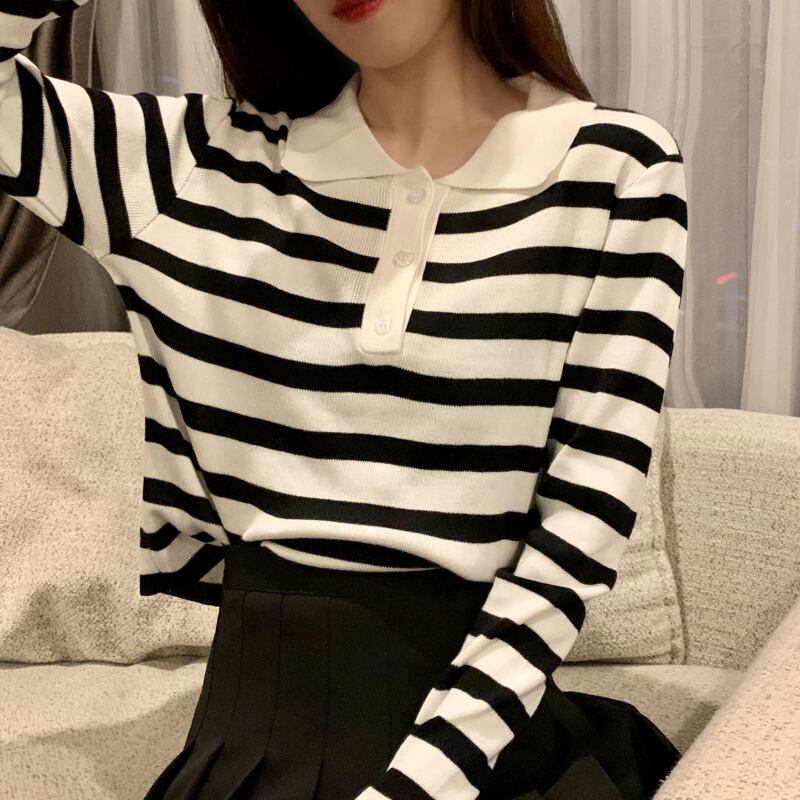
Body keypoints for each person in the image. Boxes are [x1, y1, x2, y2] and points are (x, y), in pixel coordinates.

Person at [0, 0, 688, 798]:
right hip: (252, 744)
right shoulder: (189, 166)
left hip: (491, 746)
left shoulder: (614, 168)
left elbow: (577, 532)